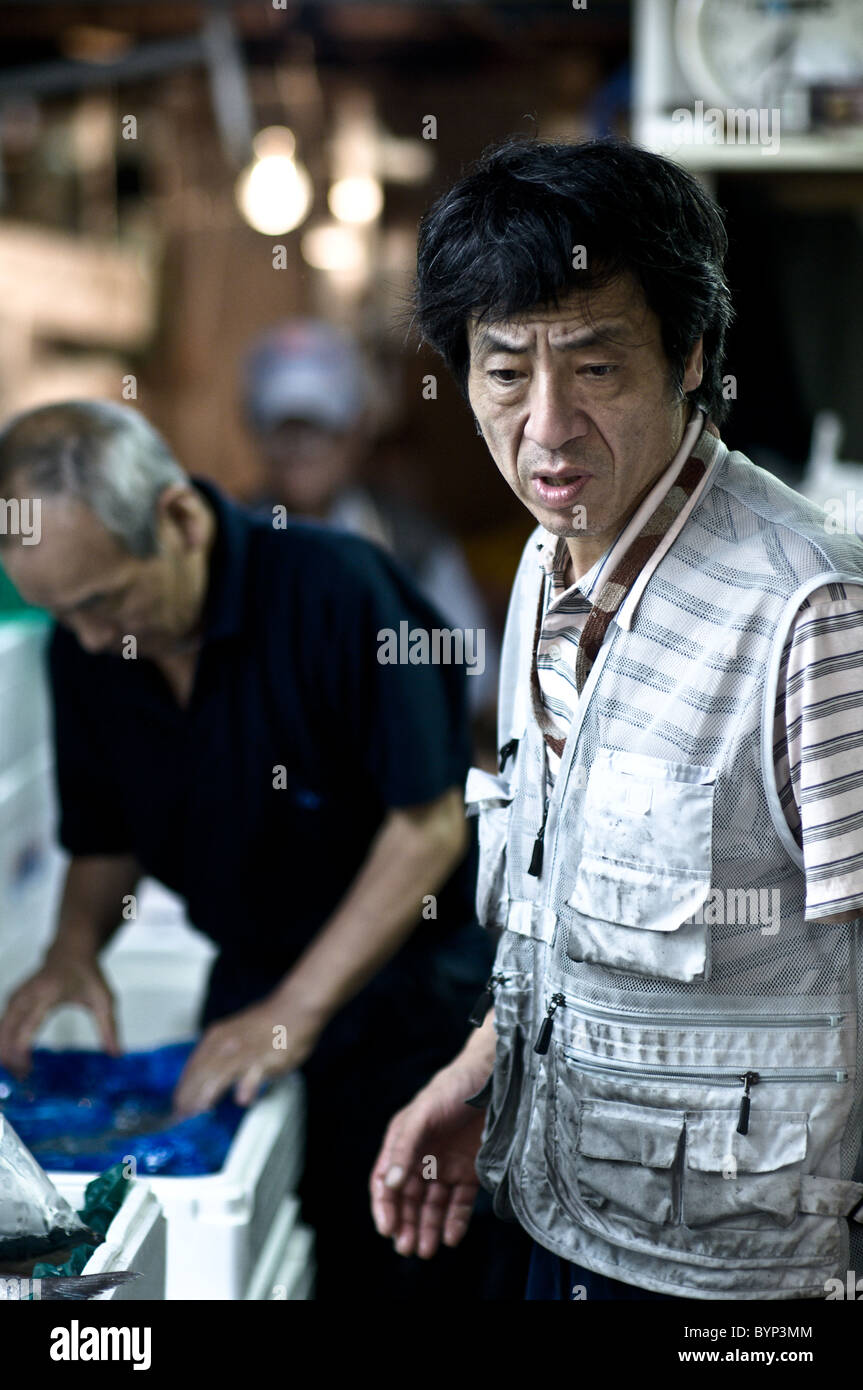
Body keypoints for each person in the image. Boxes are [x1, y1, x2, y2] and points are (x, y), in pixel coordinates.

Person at [370, 136, 863, 1301]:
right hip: (557, 1216)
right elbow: (559, 906)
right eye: (503, 371)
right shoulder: (550, 557)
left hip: (743, 1281)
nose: (545, 426)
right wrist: (481, 1069)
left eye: (593, 366)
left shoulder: (810, 605)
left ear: (689, 355)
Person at [0, 400, 529, 1299]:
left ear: (179, 518)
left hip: (411, 990)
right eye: (63, 615)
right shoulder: (84, 645)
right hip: (251, 975)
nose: (88, 639)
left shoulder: (340, 589)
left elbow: (427, 822)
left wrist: (297, 1007)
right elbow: (106, 835)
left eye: (103, 602)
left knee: (415, 1259)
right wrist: (72, 948)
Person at [242, 318, 499, 722]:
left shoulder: (414, 544)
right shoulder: (228, 543)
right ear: (255, 431)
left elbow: (475, 673)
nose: (299, 449)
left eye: (317, 428)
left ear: (356, 431)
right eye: (282, 429)